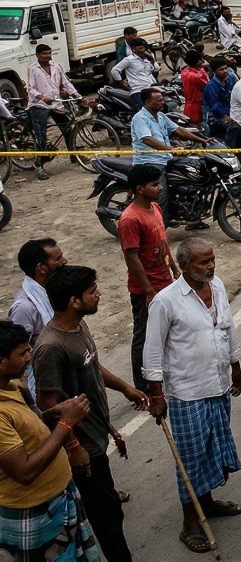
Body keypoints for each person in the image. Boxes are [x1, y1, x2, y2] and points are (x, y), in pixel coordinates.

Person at [34, 265, 146, 562]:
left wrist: (124, 389)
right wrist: (74, 447)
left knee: (109, 511)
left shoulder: (79, 326)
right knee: (106, 518)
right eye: (92, 291)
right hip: (83, 450)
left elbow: (92, 368)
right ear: (74, 301)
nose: (99, 294)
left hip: (96, 439)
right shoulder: (50, 347)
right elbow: (48, 405)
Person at [143, 238, 241, 554]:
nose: (211, 266)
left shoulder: (216, 287)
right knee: (190, 458)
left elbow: (226, 330)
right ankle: (190, 522)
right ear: (185, 266)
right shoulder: (165, 301)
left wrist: (237, 367)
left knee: (213, 449)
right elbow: (152, 351)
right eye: (203, 262)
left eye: (212, 259)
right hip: (187, 393)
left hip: (218, 384)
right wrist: (157, 395)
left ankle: (208, 502)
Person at [0, 321, 96, 561]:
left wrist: (50, 416)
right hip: (34, 512)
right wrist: (66, 425)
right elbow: (24, 471)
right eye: (22, 353)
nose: (29, 358)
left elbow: (28, 431)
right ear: (0, 362)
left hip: (58, 497)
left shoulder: (12, 386)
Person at [118, 164, 176, 394]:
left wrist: (175, 269)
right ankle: (142, 385)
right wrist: (148, 290)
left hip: (164, 281)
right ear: (140, 189)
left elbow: (163, 242)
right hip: (146, 289)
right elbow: (132, 258)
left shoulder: (154, 208)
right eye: (154, 185)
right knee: (144, 335)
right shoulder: (130, 219)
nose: (159, 188)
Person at [11, 238, 66, 392]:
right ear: (41, 267)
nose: (64, 261)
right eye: (58, 259)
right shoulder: (25, 307)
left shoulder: (52, 292)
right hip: (42, 384)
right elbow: (14, 352)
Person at [25, 43, 82, 180]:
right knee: (41, 137)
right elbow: (30, 88)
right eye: (44, 54)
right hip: (39, 106)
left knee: (68, 129)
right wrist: (43, 98)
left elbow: (66, 83)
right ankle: (39, 166)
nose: (48, 56)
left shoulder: (57, 66)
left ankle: (75, 156)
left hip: (56, 104)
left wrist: (77, 95)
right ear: (38, 55)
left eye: (49, 53)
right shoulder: (32, 69)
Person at [110, 37, 161, 109]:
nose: (143, 51)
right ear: (133, 49)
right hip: (138, 91)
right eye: (140, 48)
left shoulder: (147, 58)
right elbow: (115, 70)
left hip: (151, 89)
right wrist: (122, 84)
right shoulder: (129, 60)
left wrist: (151, 60)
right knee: (145, 112)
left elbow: (156, 69)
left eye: (144, 48)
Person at [201, 57, 236, 139]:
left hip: (229, 111)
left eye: (226, 68)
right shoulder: (211, 86)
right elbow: (214, 106)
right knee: (233, 128)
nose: (225, 71)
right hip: (215, 115)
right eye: (221, 69)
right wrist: (224, 116)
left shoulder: (230, 79)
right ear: (214, 71)